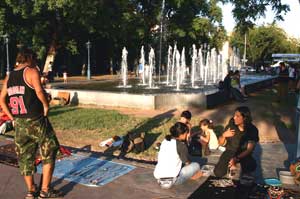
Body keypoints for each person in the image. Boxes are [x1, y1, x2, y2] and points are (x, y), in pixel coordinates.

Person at [0, 49, 61, 199]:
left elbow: (1, 99)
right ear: (30, 59)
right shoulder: (31, 71)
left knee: (25, 157)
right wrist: (46, 106)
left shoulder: (9, 76)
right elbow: (39, 92)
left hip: (19, 123)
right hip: (36, 120)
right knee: (49, 150)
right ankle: (45, 190)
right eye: (35, 60)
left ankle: (31, 190)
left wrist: (12, 118)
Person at [213, 106, 259, 179]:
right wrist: (223, 135)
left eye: (237, 116)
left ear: (244, 118)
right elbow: (221, 143)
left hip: (243, 153)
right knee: (218, 173)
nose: (234, 118)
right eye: (234, 115)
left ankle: (236, 164)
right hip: (230, 151)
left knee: (250, 166)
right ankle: (231, 165)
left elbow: (249, 149)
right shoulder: (231, 126)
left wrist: (236, 158)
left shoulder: (252, 130)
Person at [154, 122, 203, 189]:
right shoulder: (181, 145)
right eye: (186, 133)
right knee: (196, 165)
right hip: (175, 180)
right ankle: (191, 176)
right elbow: (187, 162)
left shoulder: (165, 141)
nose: (186, 135)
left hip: (158, 178)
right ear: (180, 135)